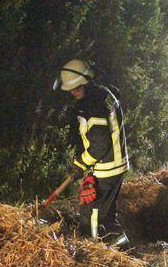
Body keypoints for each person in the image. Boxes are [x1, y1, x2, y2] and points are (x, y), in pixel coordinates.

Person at [56, 59, 131, 248]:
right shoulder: (103, 93)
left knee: (92, 215)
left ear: (87, 80)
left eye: (76, 88)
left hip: (108, 168)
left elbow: (99, 144)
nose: (73, 92)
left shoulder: (94, 106)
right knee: (105, 215)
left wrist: (80, 164)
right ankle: (124, 251)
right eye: (70, 89)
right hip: (113, 165)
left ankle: (95, 252)